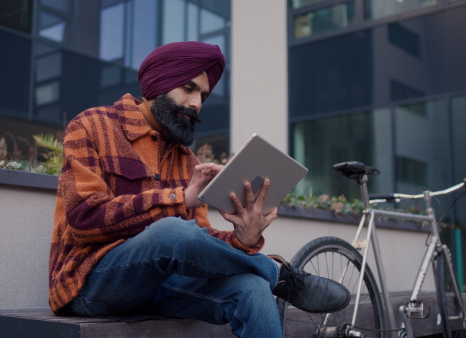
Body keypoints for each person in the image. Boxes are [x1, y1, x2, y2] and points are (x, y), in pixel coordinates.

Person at [48, 41, 350, 338]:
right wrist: (178, 199)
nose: (197, 104)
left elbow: (197, 243)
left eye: (203, 95)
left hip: (162, 287)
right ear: (159, 84)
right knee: (172, 232)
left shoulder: (186, 160)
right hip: (94, 282)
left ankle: (267, 277)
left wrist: (244, 238)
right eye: (189, 89)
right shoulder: (91, 126)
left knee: (252, 288)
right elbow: (83, 219)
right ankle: (279, 276)